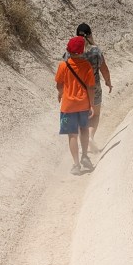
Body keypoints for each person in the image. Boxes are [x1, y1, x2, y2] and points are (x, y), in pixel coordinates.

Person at [55, 35, 95, 175]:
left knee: (72, 135)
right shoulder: (87, 66)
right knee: (84, 130)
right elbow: (91, 87)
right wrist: (91, 105)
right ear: (82, 50)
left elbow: (59, 85)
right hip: (83, 104)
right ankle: (84, 155)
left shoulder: (63, 65)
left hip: (68, 106)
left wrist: (61, 94)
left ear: (68, 50)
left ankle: (76, 165)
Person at [73, 23, 112, 152]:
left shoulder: (71, 51)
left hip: (77, 88)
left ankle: (82, 142)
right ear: (90, 34)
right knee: (96, 114)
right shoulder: (96, 51)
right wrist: (108, 82)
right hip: (94, 87)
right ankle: (90, 137)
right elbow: (104, 69)